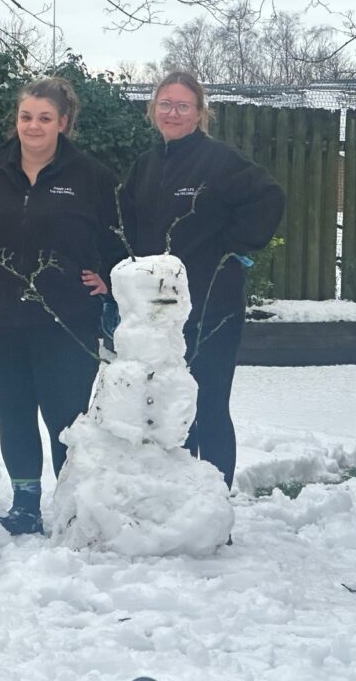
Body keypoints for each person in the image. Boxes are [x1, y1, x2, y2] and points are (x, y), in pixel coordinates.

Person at [0, 77, 119, 535]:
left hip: (67, 321)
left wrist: (110, 278)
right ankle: (24, 505)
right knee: (14, 412)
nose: (33, 126)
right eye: (26, 116)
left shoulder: (91, 177)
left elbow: (122, 236)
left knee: (67, 417)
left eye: (45, 118)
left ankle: (70, 505)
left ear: (63, 122)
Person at [122, 71, 285, 491]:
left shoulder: (219, 161)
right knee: (168, 405)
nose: (173, 113)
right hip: (160, 312)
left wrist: (230, 248)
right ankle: (179, 499)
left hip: (213, 304)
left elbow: (269, 196)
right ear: (153, 110)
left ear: (199, 113)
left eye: (183, 106)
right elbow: (126, 227)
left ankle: (213, 500)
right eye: (165, 104)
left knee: (208, 404)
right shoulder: (146, 166)